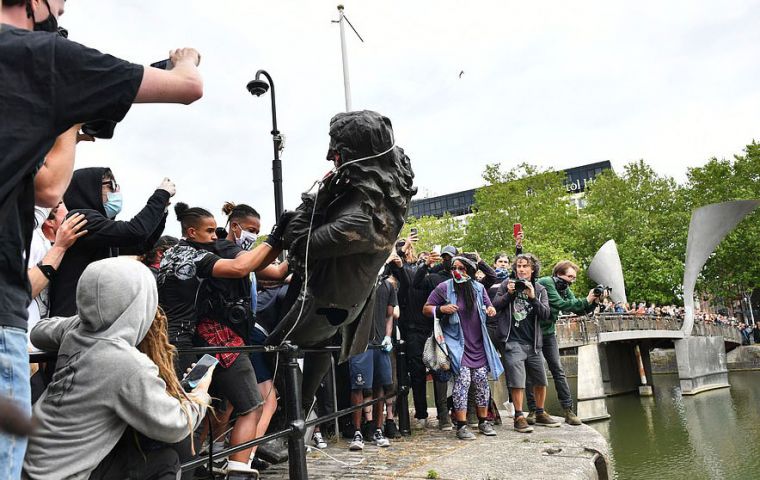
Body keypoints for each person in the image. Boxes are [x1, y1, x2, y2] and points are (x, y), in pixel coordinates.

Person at [22, 257, 211, 480]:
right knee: (165, 461)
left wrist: (94, 315)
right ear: (142, 303)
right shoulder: (127, 364)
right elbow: (176, 425)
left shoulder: (76, 332)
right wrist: (200, 395)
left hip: (30, 463)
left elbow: (38, 331)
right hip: (61, 475)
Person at [157, 202, 287, 478]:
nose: (214, 238)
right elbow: (242, 267)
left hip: (175, 342)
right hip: (201, 340)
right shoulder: (196, 256)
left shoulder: (171, 255)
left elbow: (262, 268)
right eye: (208, 232)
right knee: (250, 405)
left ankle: (189, 471)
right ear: (191, 232)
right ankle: (235, 473)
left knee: (193, 410)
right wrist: (277, 237)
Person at [47, 168, 173, 317]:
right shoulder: (81, 219)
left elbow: (141, 245)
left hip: (81, 320)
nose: (117, 191)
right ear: (89, 190)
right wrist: (160, 195)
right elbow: (135, 232)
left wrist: (162, 211)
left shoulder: (98, 230)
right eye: (111, 185)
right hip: (71, 320)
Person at [423, 256, 504, 441]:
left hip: (478, 343)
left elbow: (488, 306)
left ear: (470, 270)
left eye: (462, 268)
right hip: (457, 344)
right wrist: (441, 309)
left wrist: (490, 309)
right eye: (454, 268)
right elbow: (426, 308)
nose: (458, 271)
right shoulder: (445, 287)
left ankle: (484, 421)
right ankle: (461, 426)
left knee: (482, 382)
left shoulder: (478, 287)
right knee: (463, 382)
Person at [492, 253, 557, 433]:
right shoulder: (506, 285)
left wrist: (532, 297)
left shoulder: (540, 288)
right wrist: (510, 294)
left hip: (534, 343)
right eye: (519, 266)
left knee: (541, 380)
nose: (521, 269)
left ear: (532, 269)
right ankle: (519, 416)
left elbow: (545, 314)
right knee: (517, 381)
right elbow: (495, 305)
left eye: (525, 266)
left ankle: (540, 412)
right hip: (512, 340)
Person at [531, 260, 601, 426]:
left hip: (549, 332)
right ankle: (534, 410)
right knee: (535, 371)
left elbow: (577, 307)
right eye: (570, 276)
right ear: (558, 274)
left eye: (574, 278)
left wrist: (593, 302)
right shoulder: (547, 282)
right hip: (533, 333)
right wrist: (586, 299)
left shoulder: (564, 287)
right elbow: (560, 304)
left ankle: (568, 410)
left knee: (558, 369)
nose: (572, 280)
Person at [347, 271, 397, 451]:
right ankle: (357, 431)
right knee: (359, 387)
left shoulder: (388, 286)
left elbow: (389, 315)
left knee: (381, 386)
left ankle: (378, 429)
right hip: (360, 344)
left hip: (380, 344)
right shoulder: (357, 280)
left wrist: (388, 336)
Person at [26, 204, 87, 337]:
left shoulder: (44, 243)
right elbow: (23, 292)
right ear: (49, 220)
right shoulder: (31, 238)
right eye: (60, 205)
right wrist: (59, 247)